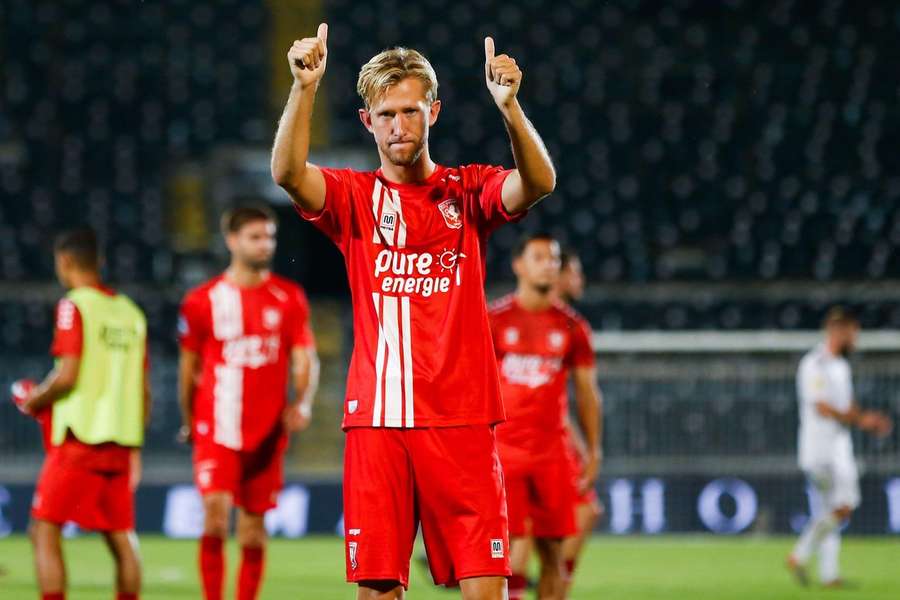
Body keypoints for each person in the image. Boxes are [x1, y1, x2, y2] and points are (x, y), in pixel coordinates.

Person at [271, 22, 556, 600]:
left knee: (486, 588)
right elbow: (287, 175)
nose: (399, 126)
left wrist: (511, 108)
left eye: (409, 111)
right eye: (386, 115)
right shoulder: (352, 198)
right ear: (366, 122)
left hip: (464, 418)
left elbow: (539, 182)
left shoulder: (468, 191)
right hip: (379, 421)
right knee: (378, 590)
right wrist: (304, 89)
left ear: (434, 111)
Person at [178, 206, 318, 600]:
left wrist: (303, 402)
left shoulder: (288, 297)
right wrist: (190, 419)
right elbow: (188, 368)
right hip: (216, 426)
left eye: (270, 237)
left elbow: (305, 356)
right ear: (231, 240)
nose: (265, 245)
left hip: (268, 429)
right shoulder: (202, 300)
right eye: (256, 237)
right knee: (215, 518)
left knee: (254, 529)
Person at [15, 227, 150, 600]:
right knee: (121, 535)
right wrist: (136, 444)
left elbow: (68, 374)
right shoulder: (131, 313)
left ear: (65, 261)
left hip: (81, 437)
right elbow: (144, 390)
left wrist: (36, 400)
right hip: (122, 440)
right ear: (100, 262)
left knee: (44, 528)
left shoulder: (73, 305)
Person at [489, 235, 601, 600]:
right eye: (539, 257)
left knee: (553, 552)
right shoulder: (493, 320)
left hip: (552, 455)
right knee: (499, 554)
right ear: (518, 265)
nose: (549, 264)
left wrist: (594, 450)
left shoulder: (572, 327)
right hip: (503, 454)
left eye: (553, 259)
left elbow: (587, 392)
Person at [786, 307, 892, 588]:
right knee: (843, 507)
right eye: (853, 332)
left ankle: (828, 575)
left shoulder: (840, 366)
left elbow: (847, 406)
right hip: (821, 449)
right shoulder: (814, 364)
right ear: (839, 331)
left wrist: (865, 418)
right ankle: (800, 554)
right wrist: (861, 419)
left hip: (838, 446)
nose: (855, 338)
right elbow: (821, 406)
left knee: (829, 510)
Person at [554, 249, 604, 595]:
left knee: (587, 511)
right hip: (517, 439)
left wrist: (584, 446)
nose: (580, 280)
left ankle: (554, 582)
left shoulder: (571, 326)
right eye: (575, 273)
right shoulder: (512, 319)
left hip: (554, 435)